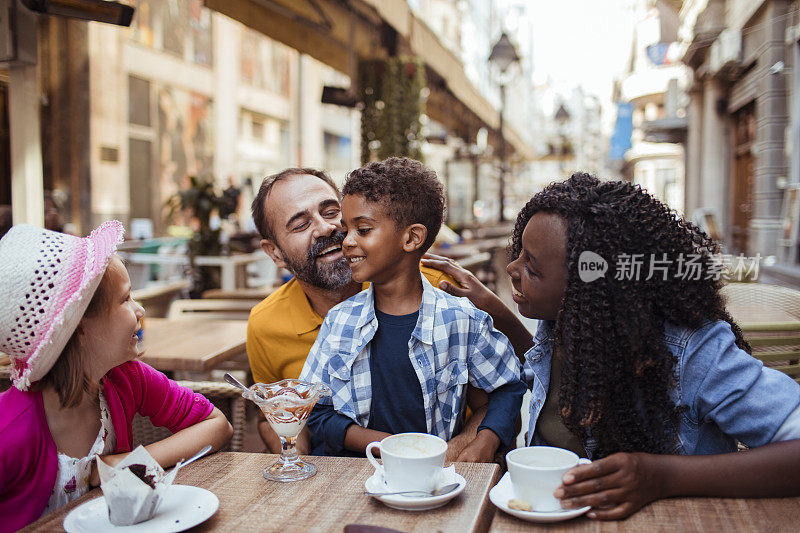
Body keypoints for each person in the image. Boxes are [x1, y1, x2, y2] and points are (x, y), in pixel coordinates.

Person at [504, 173, 800, 520]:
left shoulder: (692, 354)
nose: (511, 267)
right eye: (520, 253)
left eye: (532, 268)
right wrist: (500, 315)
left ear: (593, 290)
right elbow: (564, 385)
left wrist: (661, 476)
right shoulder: (563, 324)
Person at [247, 166, 532, 457]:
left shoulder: (446, 293)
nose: (329, 230)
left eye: (331, 212)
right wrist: (297, 459)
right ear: (274, 253)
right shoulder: (274, 323)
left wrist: (466, 450)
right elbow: (298, 414)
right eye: (300, 224)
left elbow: (507, 388)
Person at [0, 222, 233, 531]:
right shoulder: (10, 430)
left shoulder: (127, 379)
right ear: (79, 328)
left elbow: (217, 424)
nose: (140, 310)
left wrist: (124, 464)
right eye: (125, 299)